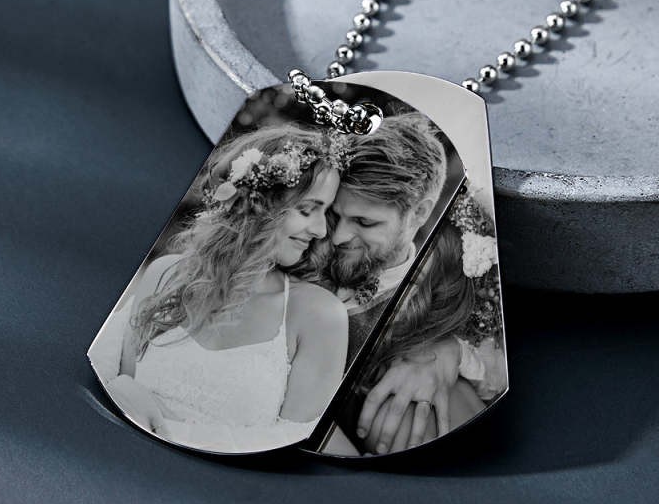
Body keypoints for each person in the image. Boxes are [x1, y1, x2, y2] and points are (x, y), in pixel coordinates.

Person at [88, 124, 351, 454]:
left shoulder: (318, 315)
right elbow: (113, 383)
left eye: (326, 212)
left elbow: (293, 442)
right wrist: (126, 390)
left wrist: (167, 429)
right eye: (307, 209)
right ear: (260, 204)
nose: (321, 229)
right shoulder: (165, 275)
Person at [322, 113, 507, 456]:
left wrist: (451, 353)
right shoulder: (300, 250)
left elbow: (500, 364)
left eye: (364, 222)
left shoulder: (457, 275)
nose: (338, 236)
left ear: (420, 212)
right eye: (335, 215)